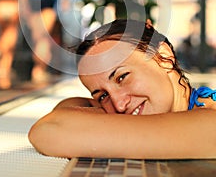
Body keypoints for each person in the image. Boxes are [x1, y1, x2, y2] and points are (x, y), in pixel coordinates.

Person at [28, 18, 216, 159]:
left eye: (122, 77)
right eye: (102, 96)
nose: (118, 104)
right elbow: (65, 111)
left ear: (163, 55)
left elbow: (51, 129)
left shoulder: (210, 121)